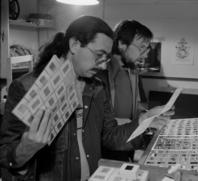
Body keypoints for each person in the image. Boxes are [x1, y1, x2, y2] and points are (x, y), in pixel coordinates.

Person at [0, 16, 164, 181]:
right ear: (74, 45)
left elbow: (111, 137)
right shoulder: (27, 87)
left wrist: (143, 121)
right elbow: (5, 156)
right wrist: (25, 149)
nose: (102, 66)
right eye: (99, 55)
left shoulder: (97, 87)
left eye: (106, 58)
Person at [102, 20, 171, 161]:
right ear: (121, 44)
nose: (145, 54)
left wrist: (153, 113)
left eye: (147, 48)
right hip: (108, 147)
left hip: (127, 142)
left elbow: (136, 106)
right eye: (142, 48)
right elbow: (101, 122)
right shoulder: (103, 72)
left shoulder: (133, 71)